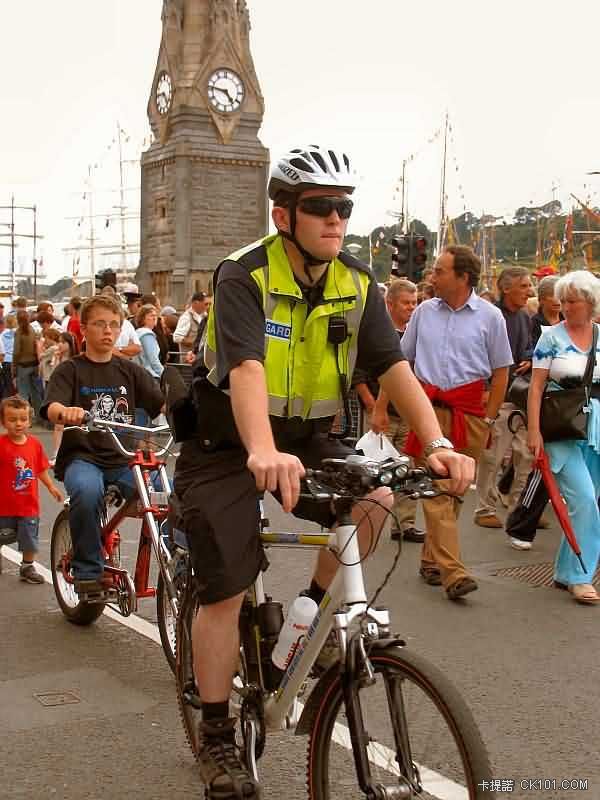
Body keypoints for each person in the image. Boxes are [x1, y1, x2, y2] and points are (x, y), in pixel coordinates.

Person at [173, 144, 474, 800]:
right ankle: (219, 731)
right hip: (227, 443)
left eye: (344, 207)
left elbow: (393, 365)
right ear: (285, 215)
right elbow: (248, 368)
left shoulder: (357, 283)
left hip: (308, 439)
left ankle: (310, 615)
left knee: (377, 498)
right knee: (226, 585)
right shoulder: (244, 275)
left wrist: (439, 442)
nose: (336, 219)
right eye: (321, 208)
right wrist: (259, 449)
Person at [401, 244, 513, 596]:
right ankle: (453, 572)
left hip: (471, 415)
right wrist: (384, 408)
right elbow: (401, 362)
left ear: (463, 277)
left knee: (455, 492)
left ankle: (431, 561)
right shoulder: (423, 313)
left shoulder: (491, 317)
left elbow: (500, 373)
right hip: (430, 413)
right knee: (439, 490)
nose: (432, 276)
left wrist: (490, 418)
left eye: (440, 270)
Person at [40, 295, 165, 595]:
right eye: (99, 324)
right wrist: (65, 412)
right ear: (83, 329)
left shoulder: (130, 371)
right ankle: (87, 570)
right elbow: (51, 405)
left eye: (114, 325)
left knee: (166, 491)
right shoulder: (70, 370)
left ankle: (180, 558)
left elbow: (159, 402)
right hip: (83, 456)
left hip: (123, 458)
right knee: (86, 490)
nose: (108, 331)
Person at [527, 270, 600, 604]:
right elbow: (536, 387)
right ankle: (581, 577)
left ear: (590, 303)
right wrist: (533, 430)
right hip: (561, 426)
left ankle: (566, 571)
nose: (567, 306)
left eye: (574, 301)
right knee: (584, 499)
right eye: (564, 301)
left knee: (587, 503)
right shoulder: (550, 338)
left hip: (594, 426)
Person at [474, 266, 534, 530]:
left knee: (525, 455)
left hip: (520, 396)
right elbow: (480, 354)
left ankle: (516, 504)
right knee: (492, 456)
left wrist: (529, 358)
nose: (529, 291)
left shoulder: (524, 318)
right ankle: (483, 507)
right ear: (506, 288)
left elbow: (527, 346)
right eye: (524, 286)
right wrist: (487, 389)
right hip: (497, 397)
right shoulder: (491, 316)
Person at [371, 278, 424, 543]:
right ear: (390, 304)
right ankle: (365, 519)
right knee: (375, 471)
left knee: (408, 470)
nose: (411, 308)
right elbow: (361, 376)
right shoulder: (377, 335)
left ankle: (405, 524)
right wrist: (375, 408)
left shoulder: (416, 334)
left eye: (415, 303)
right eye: (406, 303)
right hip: (384, 417)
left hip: (407, 416)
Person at [0, 395, 63, 583]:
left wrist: (51, 487)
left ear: (29, 421)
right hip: (4, 505)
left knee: (29, 538)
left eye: (23, 419)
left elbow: (40, 469)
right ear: (3, 422)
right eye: (12, 420)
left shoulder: (34, 444)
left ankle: (27, 566)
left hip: (28, 506)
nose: (18, 424)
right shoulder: (1, 445)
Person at [13, 310, 42, 420]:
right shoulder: (32, 330)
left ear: (18, 320)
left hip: (23, 365)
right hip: (34, 364)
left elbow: (16, 351)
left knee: (23, 393)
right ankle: (40, 417)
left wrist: (14, 366)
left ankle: (24, 418)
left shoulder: (19, 332)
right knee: (36, 392)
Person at [173, 291, 210, 358]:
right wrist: (197, 342)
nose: (208, 306)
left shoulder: (205, 315)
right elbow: (176, 337)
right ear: (196, 303)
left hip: (201, 358)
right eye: (206, 304)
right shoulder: (186, 317)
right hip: (189, 360)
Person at [0, 315, 16, 399]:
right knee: (14, 385)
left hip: (5, 361)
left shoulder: (2, 334)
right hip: (14, 361)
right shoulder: (17, 333)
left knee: (6, 385)